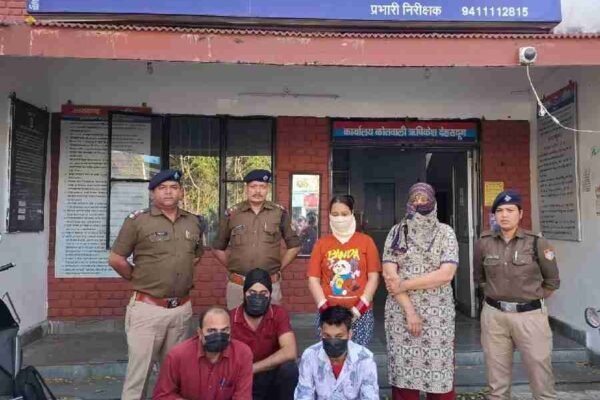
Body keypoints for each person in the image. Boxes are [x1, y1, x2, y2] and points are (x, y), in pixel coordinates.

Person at [109, 169, 205, 400]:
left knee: (174, 376)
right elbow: (116, 259)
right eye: (162, 188)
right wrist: (139, 279)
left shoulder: (193, 221)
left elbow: (196, 255)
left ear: (181, 192)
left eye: (173, 187)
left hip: (181, 310)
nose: (168, 192)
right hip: (147, 309)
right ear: (152, 193)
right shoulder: (138, 221)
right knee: (138, 377)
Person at [474, 190, 560, 400]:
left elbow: (552, 281)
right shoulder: (484, 242)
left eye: (510, 210)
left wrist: (529, 299)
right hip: (494, 316)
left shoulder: (536, 242)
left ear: (520, 214)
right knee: (496, 378)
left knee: (540, 373)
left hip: (530, 317)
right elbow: (479, 277)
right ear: (494, 215)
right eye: (500, 211)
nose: (504, 215)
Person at [383, 182, 459, 400]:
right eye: (414, 199)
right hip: (401, 313)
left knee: (439, 374)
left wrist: (406, 284)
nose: (419, 204)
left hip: (437, 317)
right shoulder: (397, 232)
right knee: (404, 375)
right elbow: (390, 275)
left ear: (433, 202)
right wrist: (410, 312)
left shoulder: (445, 233)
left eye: (424, 199)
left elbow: (446, 274)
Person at [212, 169, 301, 309]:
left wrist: (279, 268)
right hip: (238, 286)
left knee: (270, 321)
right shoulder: (233, 214)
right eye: (253, 186)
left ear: (267, 189)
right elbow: (217, 247)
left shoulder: (279, 213)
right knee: (237, 322)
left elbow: (294, 246)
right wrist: (233, 266)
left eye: (262, 187)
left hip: (269, 284)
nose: (258, 191)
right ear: (246, 188)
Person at [307, 195, 381, 345]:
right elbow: (313, 279)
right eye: (335, 214)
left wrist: (359, 308)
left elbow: (374, 277)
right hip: (328, 314)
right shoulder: (321, 244)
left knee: (357, 355)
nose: (339, 218)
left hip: (361, 314)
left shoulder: (366, 242)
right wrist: (324, 308)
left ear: (352, 213)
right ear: (329, 215)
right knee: (330, 353)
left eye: (344, 214)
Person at [153, 306, 253, 400]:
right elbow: (162, 396)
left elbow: (243, 397)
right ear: (200, 333)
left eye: (224, 330)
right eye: (212, 330)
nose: (219, 336)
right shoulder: (178, 355)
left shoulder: (242, 354)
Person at [230, 268, 298, 399]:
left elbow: (290, 351)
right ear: (244, 293)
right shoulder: (231, 318)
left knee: (289, 369)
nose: (257, 297)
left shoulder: (278, 313)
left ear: (270, 295)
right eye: (252, 292)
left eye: (263, 293)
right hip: (241, 379)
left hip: (269, 375)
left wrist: (253, 368)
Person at [294, 305, 379, 400]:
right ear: (321, 333)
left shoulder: (365, 359)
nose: (333, 342)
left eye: (339, 336)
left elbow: (370, 397)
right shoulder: (310, 356)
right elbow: (304, 395)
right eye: (327, 336)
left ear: (349, 334)